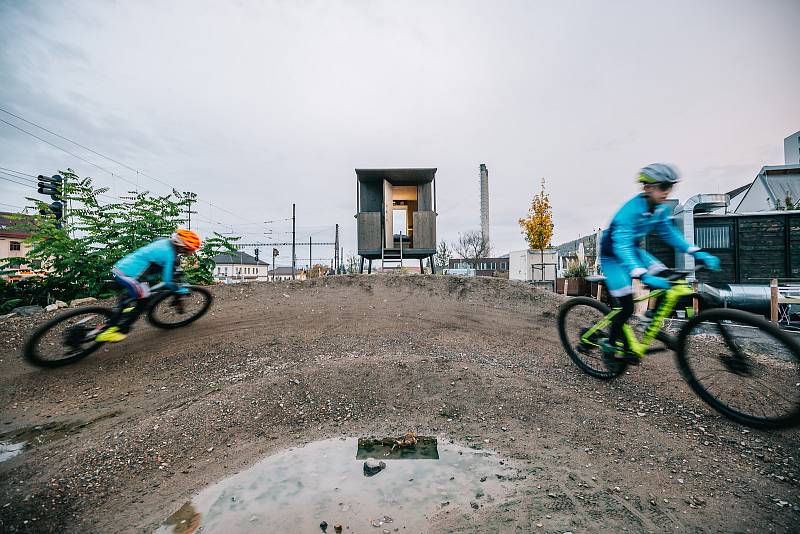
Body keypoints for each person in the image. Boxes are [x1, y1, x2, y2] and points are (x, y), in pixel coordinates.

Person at [598, 164, 720, 364]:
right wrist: (640, 273)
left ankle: (648, 319)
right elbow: (621, 245)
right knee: (627, 307)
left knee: (668, 277)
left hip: (634, 251)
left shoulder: (659, 210)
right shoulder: (628, 213)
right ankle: (609, 345)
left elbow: (670, 234)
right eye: (663, 186)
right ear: (647, 188)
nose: (667, 192)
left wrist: (696, 251)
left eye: (670, 187)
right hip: (613, 257)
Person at [96, 229, 202, 342]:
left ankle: (123, 310)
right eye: (190, 250)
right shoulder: (169, 255)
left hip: (120, 268)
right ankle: (113, 331)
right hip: (128, 277)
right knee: (143, 302)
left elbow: (156, 251)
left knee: (134, 296)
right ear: (182, 247)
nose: (191, 253)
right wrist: (180, 290)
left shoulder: (164, 242)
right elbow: (167, 281)